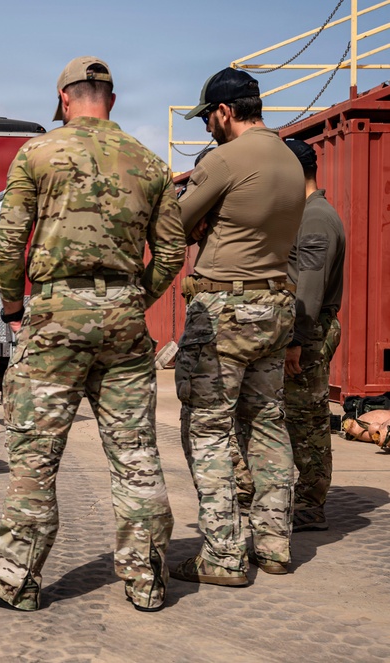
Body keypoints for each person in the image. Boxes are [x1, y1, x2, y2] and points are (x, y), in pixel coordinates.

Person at [0, 56, 185, 612]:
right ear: (112, 99)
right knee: (136, 455)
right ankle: (148, 582)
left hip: (57, 314)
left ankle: (16, 583)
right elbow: (173, 251)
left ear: (64, 99)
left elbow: (10, 241)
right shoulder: (151, 163)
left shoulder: (37, 153)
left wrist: (13, 306)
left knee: (36, 455)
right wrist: (135, 298)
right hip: (126, 320)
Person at [171, 68, 304, 585]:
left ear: (225, 111)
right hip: (275, 308)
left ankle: (223, 556)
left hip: (225, 312)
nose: (207, 128)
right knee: (269, 424)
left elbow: (176, 226)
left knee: (207, 429)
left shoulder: (227, 159)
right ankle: (273, 545)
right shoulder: (291, 161)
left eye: (208, 117)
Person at [231, 139, 346, 532]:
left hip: (307, 332)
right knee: (287, 415)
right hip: (297, 329)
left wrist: (296, 340)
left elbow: (310, 287)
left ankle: (311, 505)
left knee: (307, 421)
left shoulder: (315, 219)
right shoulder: (305, 214)